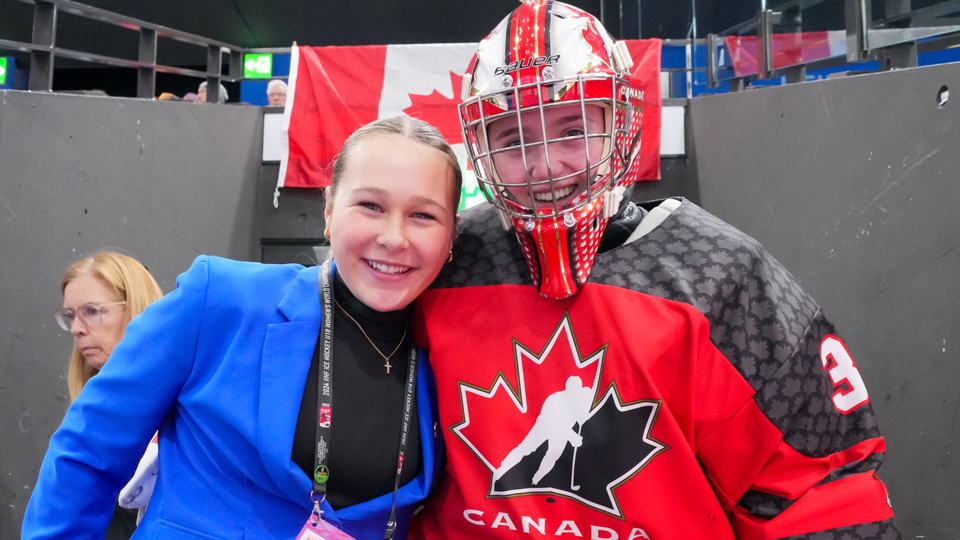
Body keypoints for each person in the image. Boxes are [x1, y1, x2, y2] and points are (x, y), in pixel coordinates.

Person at [410, 2, 900, 539]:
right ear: (480, 150)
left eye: (572, 128)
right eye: (514, 140)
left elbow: (821, 493)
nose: (544, 164)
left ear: (617, 126)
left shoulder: (720, 275)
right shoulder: (447, 259)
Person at [23, 115, 461, 540]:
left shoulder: (450, 356)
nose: (394, 237)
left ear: (452, 234)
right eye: (371, 205)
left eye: (423, 216)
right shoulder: (221, 301)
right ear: (329, 211)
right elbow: (89, 453)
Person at [54, 252, 164, 539]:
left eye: (92, 311)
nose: (77, 328)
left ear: (136, 309)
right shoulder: (88, 412)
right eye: (70, 316)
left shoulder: (184, 408)